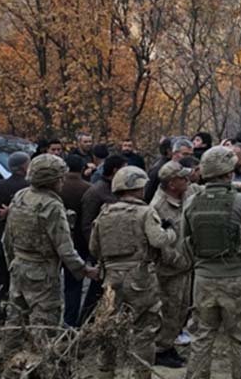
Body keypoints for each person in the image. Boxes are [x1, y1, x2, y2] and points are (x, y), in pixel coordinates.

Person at [0, 155, 99, 360]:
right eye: (60, 178)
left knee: (15, 322)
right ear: (51, 179)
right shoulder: (51, 206)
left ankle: (5, 363)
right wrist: (85, 270)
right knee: (44, 326)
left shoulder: (20, 196)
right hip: (42, 273)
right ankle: (40, 366)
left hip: (19, 267)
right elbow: (65, 247)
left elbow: (6, 239)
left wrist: (13, 263)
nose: (62, 181)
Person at [183, 146, 241, 378]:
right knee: (240, 338)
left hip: (203, 280)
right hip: (235, 278)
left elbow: (183, 242)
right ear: (229, 173)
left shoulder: (191, 203)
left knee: (202, 336)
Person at [89, 166, 175, 378]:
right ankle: (141, 373)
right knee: (145, 329)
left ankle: (105, 372)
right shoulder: (145, 212)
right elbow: (158, 240)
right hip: (140, 278)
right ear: (138, 187)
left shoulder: (105, 213)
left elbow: (94, 247)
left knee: (109, 327)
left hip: (111, 278)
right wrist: (171, 231)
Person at [149, 161, 197, 368]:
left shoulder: (188, 193)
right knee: (169, 309)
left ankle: (168, 345)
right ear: (171, 184)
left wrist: (238, 186)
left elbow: (203, 188)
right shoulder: (157, 207)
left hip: (186, 266)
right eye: (182, 178)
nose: (187, 179)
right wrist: (176, 259)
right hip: (169, 269)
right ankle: (160, 349)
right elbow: (158, 242)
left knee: (182, 308)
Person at [79, 153, 127, 324]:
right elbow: (87, 225)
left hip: (115, 249)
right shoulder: (97, 191)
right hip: (103, 251)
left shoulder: (114, 189)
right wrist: (96, 250)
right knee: (95, 293)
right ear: (115, 170)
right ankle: (84, 324)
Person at [0, 151, 30, 327]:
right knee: (25, 286)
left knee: (0, 284)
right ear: (24, 166)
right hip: (23, 243)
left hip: (0, 239)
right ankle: (21, 322)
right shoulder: (30, 188)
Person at [58, 153, 92, 328]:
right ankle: (70, 322)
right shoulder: (88, 188)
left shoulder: (57, 187)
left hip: (54, 243)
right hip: (78, 243)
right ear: (83, 168)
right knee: (74, 285)